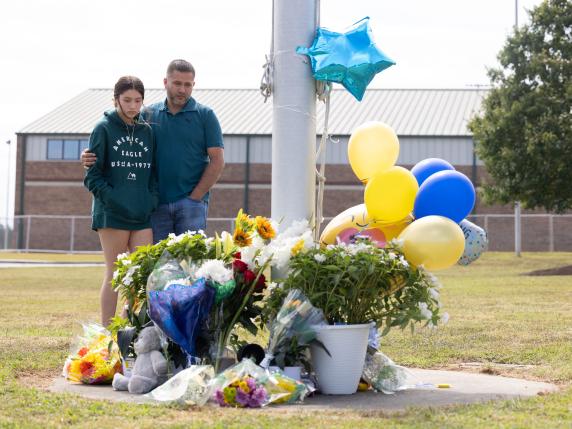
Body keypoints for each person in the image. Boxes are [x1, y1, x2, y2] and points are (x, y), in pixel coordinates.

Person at [82, 59, 225, 243]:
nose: (182, 89)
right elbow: (118, 132)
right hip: (156, 206)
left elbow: (217, 160)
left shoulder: (205, 115)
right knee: (159, 267)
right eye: (177, 83)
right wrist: (90, 154)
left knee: (190, 264)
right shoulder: (148, 115)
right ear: (165, 82)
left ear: (193, 85)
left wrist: (195, 197)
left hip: (191, 204)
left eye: (188, 85)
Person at [84, 76, 158, 326]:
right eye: (127, 100)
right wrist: (115, 200)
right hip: (112, 214)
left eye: (138, 100)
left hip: (141, 214)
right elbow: (92, 177)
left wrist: (150, 200)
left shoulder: (147, 132)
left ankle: (128, 332)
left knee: (139, 277)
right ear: (116, 99)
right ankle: (107, 334)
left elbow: (153, 175)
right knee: (115, 274)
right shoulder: (103, 128)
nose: (132, 106)